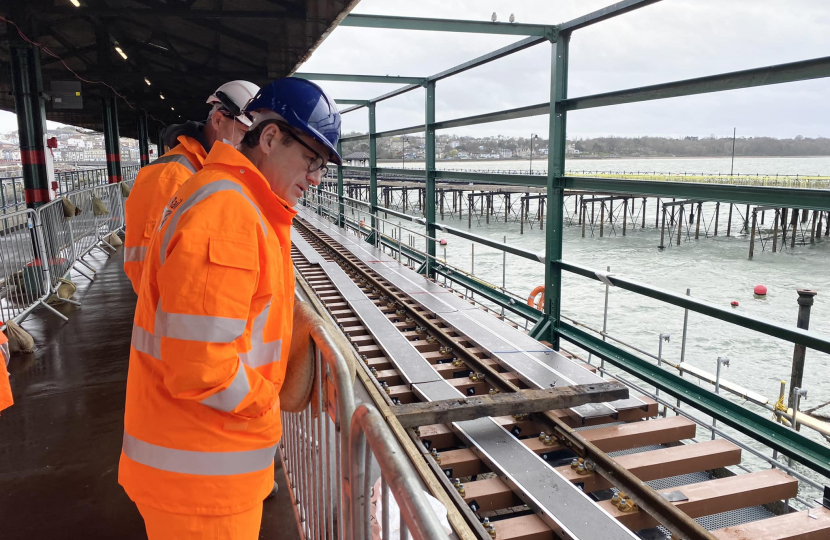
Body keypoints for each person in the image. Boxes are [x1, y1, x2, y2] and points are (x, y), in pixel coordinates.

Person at [118, 77, 341, 540]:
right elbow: (201, 368)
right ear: (271, 137)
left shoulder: (231, 199)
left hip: (203, 468)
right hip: (201, 484)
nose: (316, 178)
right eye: (311, 159)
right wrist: (271, 401)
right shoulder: (229, 215)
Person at [123, 80, 260, 294]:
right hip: (171, 314)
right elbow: (145, 263)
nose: (246, 148)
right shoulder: (169, 177)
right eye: (243, 134)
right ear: (217, 119)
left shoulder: (208, 170)